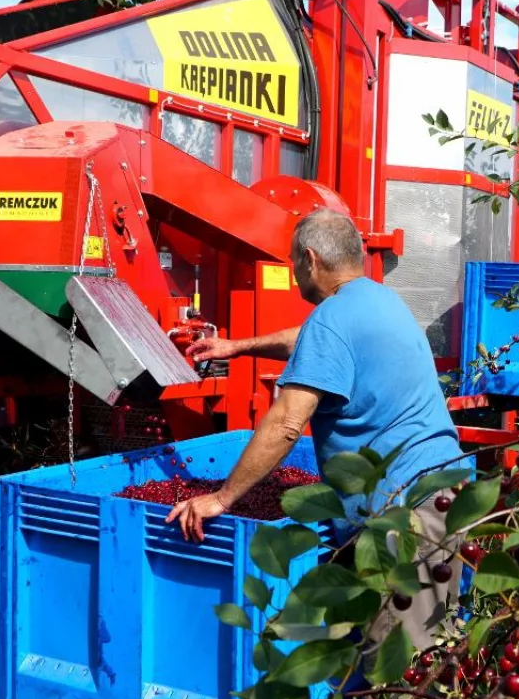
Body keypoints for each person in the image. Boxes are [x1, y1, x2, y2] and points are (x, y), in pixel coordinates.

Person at [166, 207, 465, 654]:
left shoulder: (334, 320)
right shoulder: (379, 299)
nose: (293, 274)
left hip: (406, 514)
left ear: (310, 259)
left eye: (292, 263)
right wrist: (236, 347)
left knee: (396, 673)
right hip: (443, 493)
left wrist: (221, 498)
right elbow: (305, 338)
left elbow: (288, 422)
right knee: (433, 649)